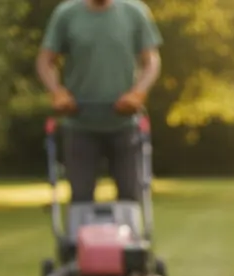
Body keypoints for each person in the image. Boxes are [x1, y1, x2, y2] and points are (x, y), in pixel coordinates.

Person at [36, 0, 162, 205]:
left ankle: (128, 226)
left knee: (130, 196)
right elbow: (45, 61)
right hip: (79, 124)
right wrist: (57, 92)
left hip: (125, 124)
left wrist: (138, 92)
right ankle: (80, 226)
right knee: (81, 198)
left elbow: (151, 61)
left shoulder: (135, 12)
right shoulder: (66, 14)